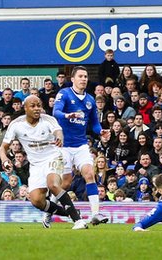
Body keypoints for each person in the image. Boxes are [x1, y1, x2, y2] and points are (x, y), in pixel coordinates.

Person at [0, 96, 86, 229]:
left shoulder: (48, 120)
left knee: (53, 185)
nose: (37, 108)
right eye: (33, 106)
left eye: (39, 105)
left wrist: (59, 137)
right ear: (25, 108)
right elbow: (2, 148)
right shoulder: (16, 125)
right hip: (35, 165)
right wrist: (5, 160)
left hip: (53, 157)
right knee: (36, 200)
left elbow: (58, 132)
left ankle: (78, 221)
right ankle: (70, 213)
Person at [52, 66, 110, 227]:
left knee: (89, 174)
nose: (84, 79)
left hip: (81, 144)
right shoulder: (64, 94)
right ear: (73, 79)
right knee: (65, 183)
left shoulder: (90, 100)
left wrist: (101, 132)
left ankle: (95, 214)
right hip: (63, 146)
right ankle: (49, 210)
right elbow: (55, 112)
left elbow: (94, 124)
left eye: (85, 76)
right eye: (81, 76)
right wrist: (67, 115)